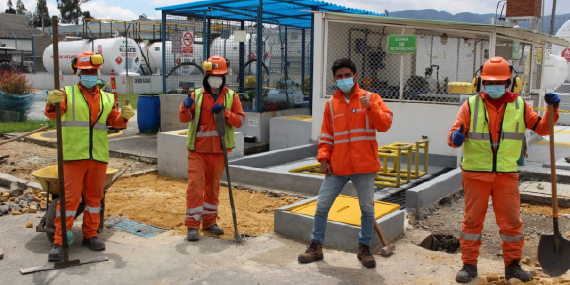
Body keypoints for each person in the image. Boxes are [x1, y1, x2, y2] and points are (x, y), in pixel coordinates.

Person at [448, 56, 560, 283]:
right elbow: (452, 138)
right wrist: (456, 137)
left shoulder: (520, 105)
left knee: (511, 223)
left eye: (499, 82)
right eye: (488, 82)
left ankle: (513, 266)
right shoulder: (470, 105)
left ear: (509, 82)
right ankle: (469, 265)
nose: (493, 86)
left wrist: (552, 110)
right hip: (475, 174)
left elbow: (542, 128)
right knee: (471, 222)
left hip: (506, 175)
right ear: (481, 82)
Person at [297, 58, 393, 268]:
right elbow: (326, 135)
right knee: (321, 206)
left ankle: (364, 248)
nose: (343, 79)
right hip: (337, 166)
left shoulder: (371, 98)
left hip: (365, 165)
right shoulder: (331, 105)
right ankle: (316, 246)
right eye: (339, 77)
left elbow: (385, 124)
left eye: (347, 75)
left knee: (367, 209)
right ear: (334, 79)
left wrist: (371, 109)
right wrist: (323, 159)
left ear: (355, 76)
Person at [44, 50, 134, 262]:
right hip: (73, 156)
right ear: (78, 72)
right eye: (86, 71)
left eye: (93, 71)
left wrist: (125, 117)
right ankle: (59, 241)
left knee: (94, 200)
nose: (90, 74)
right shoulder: (66, 93)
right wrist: (51, 102)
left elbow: (116, 122)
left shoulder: (106, 97)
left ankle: (90, 235)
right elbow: (53, 113)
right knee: (69, 201)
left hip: (97, 157)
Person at [179, 55, 245, 241]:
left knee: (212, 188)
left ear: (224, 77)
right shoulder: (196, 96)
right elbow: (184, 118)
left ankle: (209, 222)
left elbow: (239, 121)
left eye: (219, 76)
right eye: (212, 76)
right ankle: (192, 225)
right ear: (206, 76)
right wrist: (185, 107)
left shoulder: (232, 97)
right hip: (197, 151)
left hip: (219, 152)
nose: (215, 79)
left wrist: (225, 113)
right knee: (195, 186)